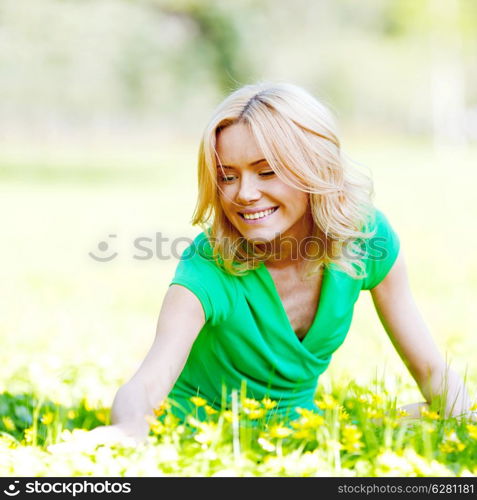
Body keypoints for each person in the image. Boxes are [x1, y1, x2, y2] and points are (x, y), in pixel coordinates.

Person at [78, 82, 474, 446]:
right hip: (199, 438)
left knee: (441, 415)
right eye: (227, 176)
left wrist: (464, 421)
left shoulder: (367, 238)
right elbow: (150, 380)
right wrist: (129, 429)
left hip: (299, 434)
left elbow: (431, 369)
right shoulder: (208, 263)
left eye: (267, 171)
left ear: (315, 167)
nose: (244, 194)